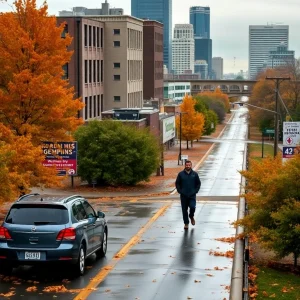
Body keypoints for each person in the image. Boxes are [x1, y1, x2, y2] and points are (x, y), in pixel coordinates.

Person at [175, 160, 201, 230]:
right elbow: (177, 183)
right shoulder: (180, 174)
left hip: (192, 195)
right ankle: (186, 223)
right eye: (187, 165)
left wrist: (196, 191)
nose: (188, 166)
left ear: (191, 165)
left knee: (193, 207)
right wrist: (180, 191)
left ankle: (191, 216)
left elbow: (198, 183)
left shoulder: (195, 174)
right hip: (184, 195)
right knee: (184, 210)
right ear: (185, 165)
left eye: (189, 165)